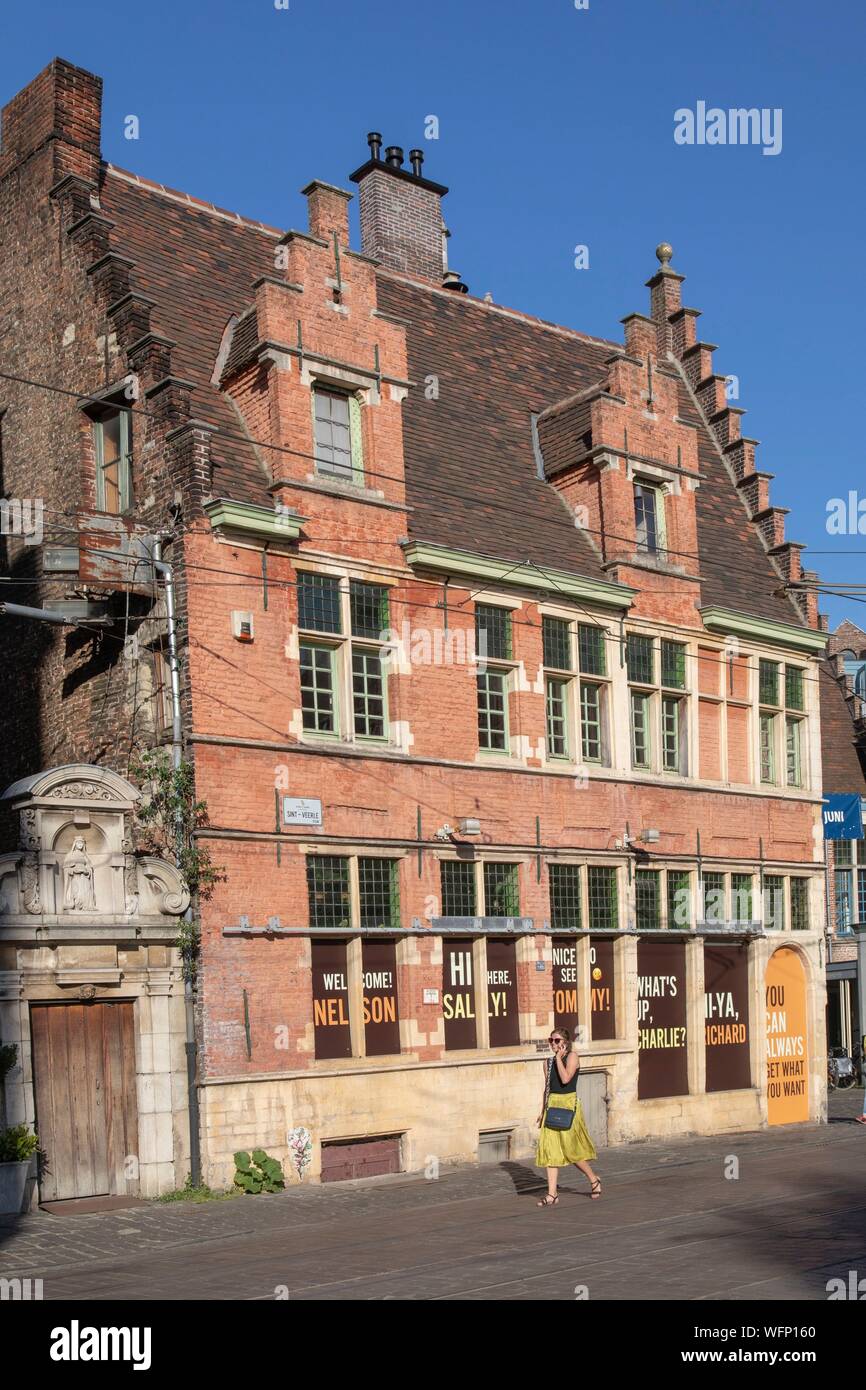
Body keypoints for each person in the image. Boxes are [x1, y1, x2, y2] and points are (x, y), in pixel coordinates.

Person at [536, 1026, 600, 1207]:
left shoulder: (572, 1057)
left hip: (568, 1105)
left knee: (572, 1150)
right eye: (551, 1040)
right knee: (550, 1150)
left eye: (556, 1041)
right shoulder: (546, 1063)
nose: (553, 1044)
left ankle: (594, 1179)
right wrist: (542, 1112)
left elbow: (565, 1079)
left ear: (565, 1042)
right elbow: (547, 1089)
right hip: (552, 1105)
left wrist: (558, 1059)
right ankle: (552, 1194)